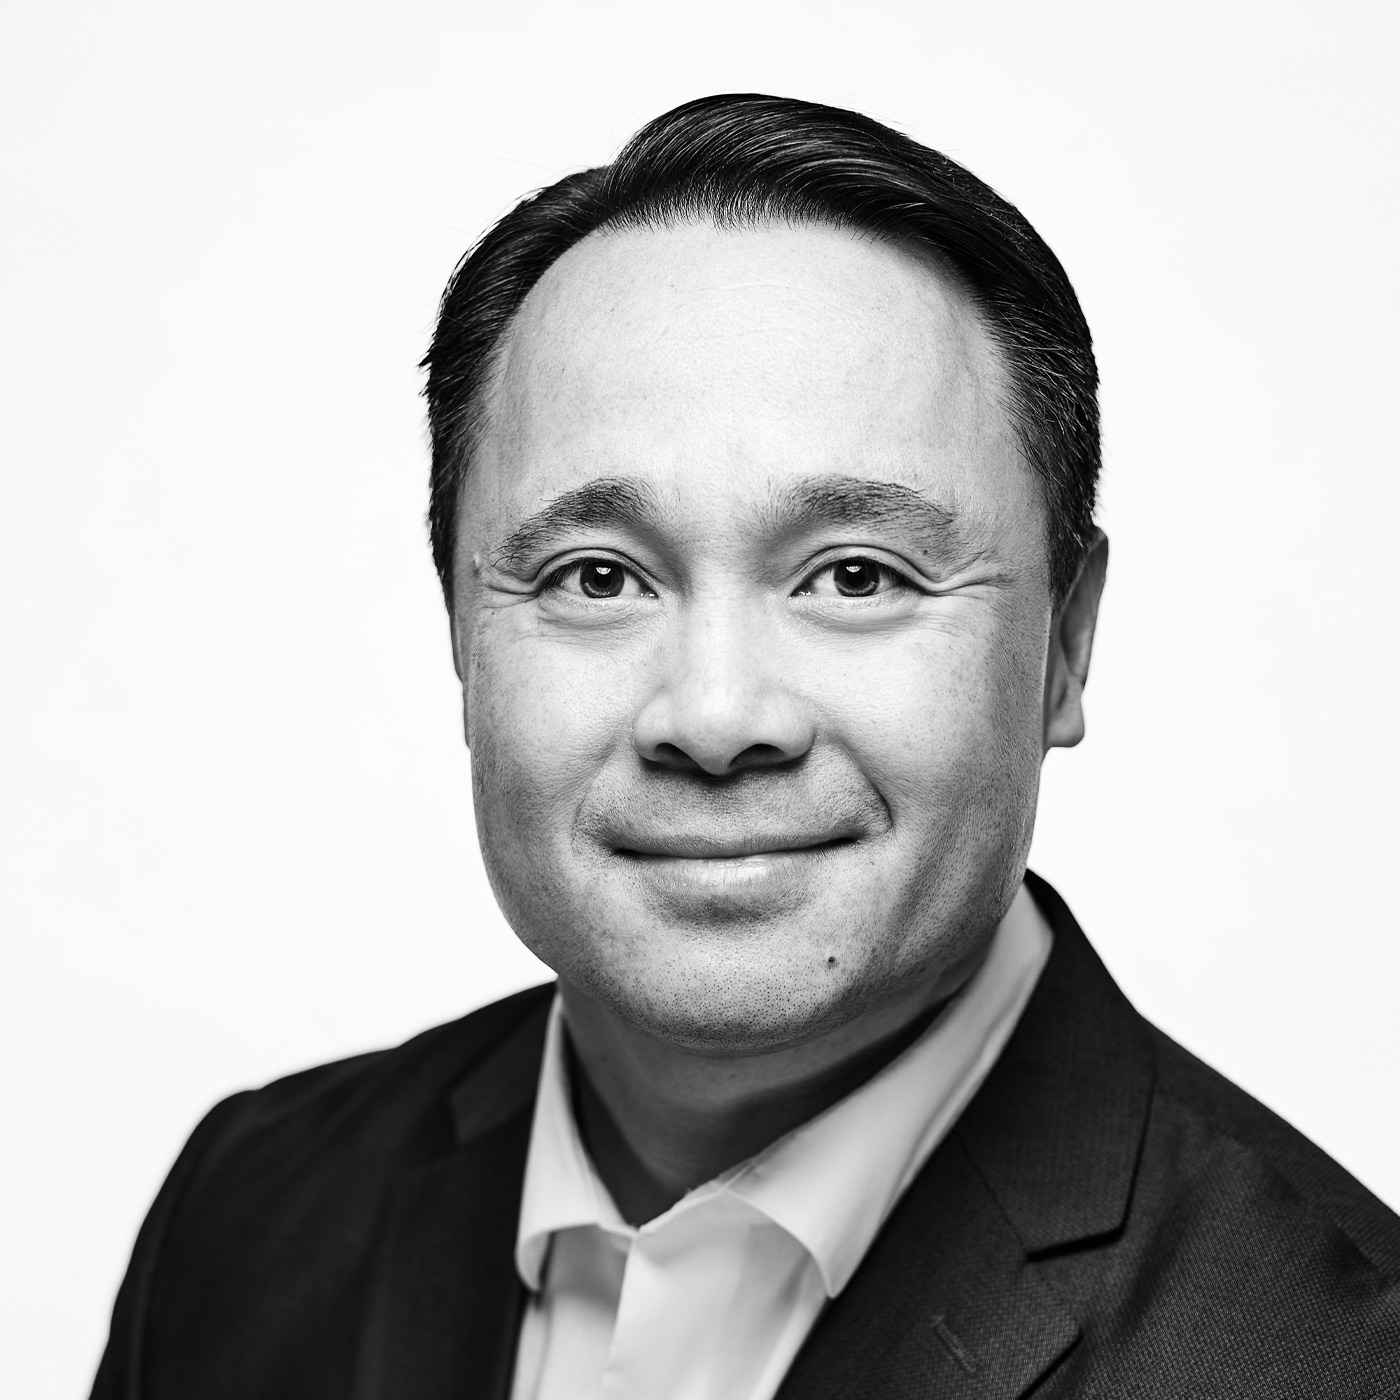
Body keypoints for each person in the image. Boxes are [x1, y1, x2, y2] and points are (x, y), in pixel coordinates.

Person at [91, 93, 1400, 1400]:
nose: (715, 719)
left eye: (857, 574)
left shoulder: (1335, 1360)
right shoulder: (244, 1216)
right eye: (597, 577)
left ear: (1065, 642)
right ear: (460, 636)